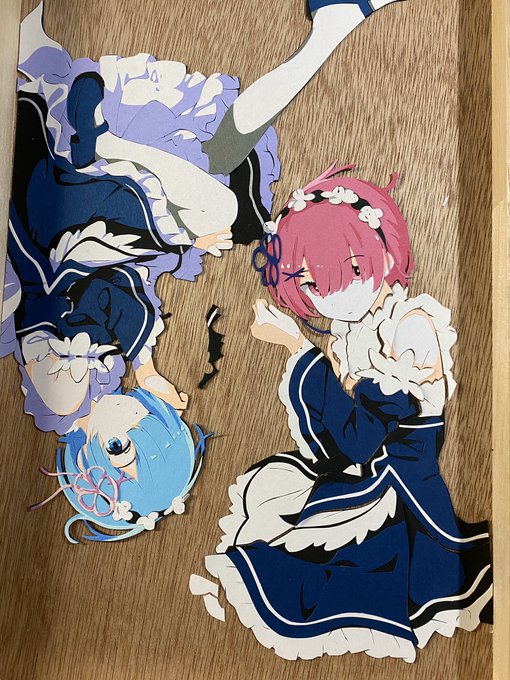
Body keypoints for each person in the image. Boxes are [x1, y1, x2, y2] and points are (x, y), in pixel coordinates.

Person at [196, 164, 493, 662]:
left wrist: (297, 348)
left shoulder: (410, 329)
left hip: (404, 493)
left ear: (383, 254)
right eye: (312, 283)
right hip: (370, 475)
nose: (331, 296)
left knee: (311, 572)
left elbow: (357, 441)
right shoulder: (354, 330)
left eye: (349, 271)